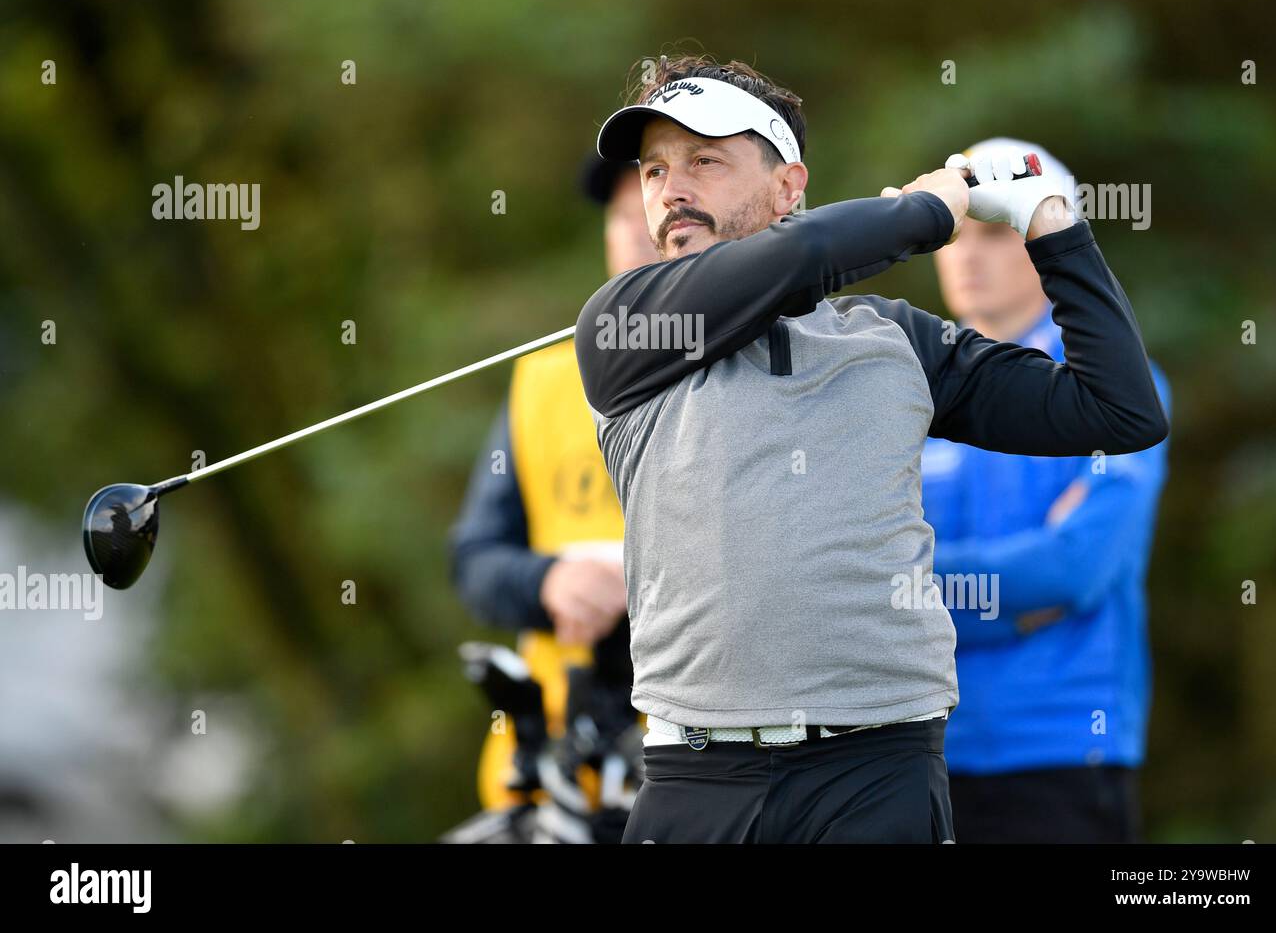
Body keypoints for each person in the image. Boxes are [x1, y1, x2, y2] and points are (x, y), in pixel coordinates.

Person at [573, 53, 1169, 844]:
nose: (670, 189)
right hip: (696, 778)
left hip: (877, 777)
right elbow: (796, 257)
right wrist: (926, 212)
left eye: (704, 161)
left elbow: (1118, 407)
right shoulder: (626, 327)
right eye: (654, 170)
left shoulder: (892, 340)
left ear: (789, 186)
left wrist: (1053, 223)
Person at [924, 138, 1171, 843]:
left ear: (1046, 234)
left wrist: (920, 590)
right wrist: (1019, 595)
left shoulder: (1122, 388)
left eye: (996, 233)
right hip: (922, 751)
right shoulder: (904, 390)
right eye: (953, 233)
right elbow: (865, 578)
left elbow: (1075, 567)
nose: (968, 255)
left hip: (1061, 753)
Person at [448, 152, 657, 813]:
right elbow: (474, 559)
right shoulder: (543, 383)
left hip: (698, 775)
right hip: (550, 778)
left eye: (650, 213)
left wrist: (643, 577)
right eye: (621, 215)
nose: (634, 231)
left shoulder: (751, 373)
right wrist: (548, 582)